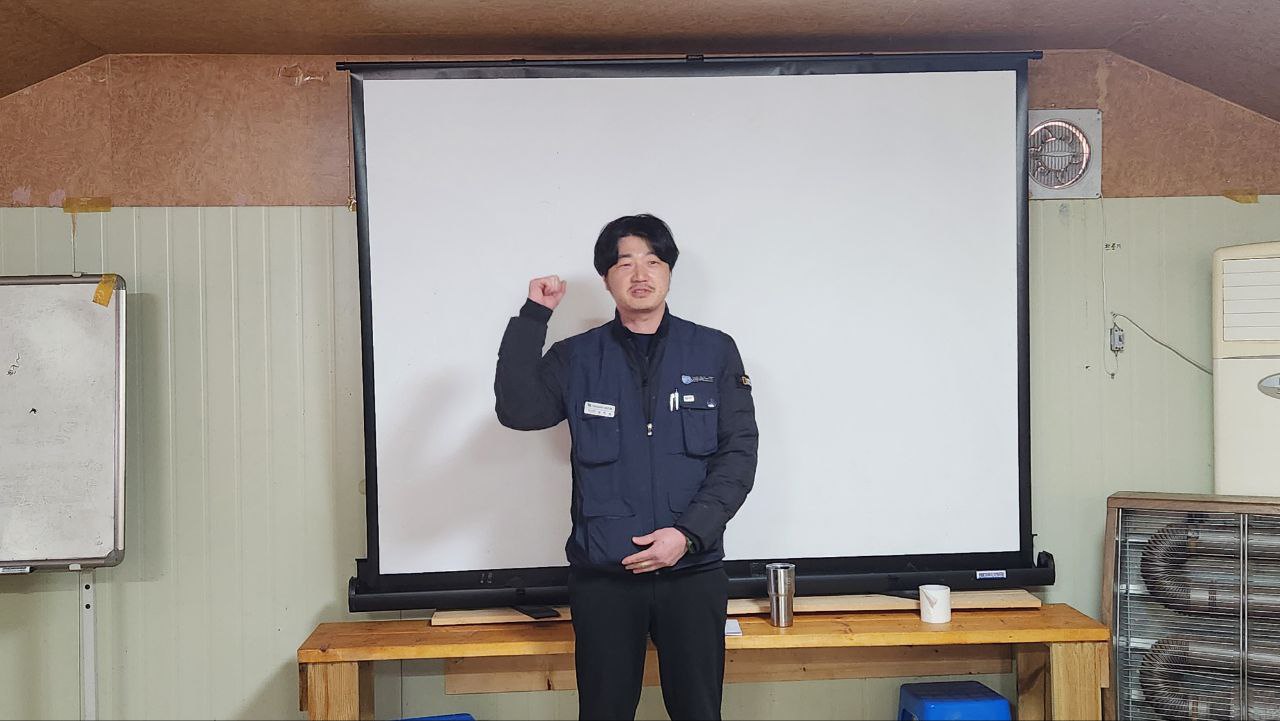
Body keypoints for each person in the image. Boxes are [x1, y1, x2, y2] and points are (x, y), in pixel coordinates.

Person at [494, 213, 759, 720]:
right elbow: (518, 410)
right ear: (606, 278)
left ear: (669, 272)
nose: (640, 274)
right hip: (605, 580)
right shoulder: (577, 357)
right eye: (625, 263)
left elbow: (738, 455)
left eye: (653, 261)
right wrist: (533, 316)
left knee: (699, 712)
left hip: (691, 572)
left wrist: (687, 535)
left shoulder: (714, 350)